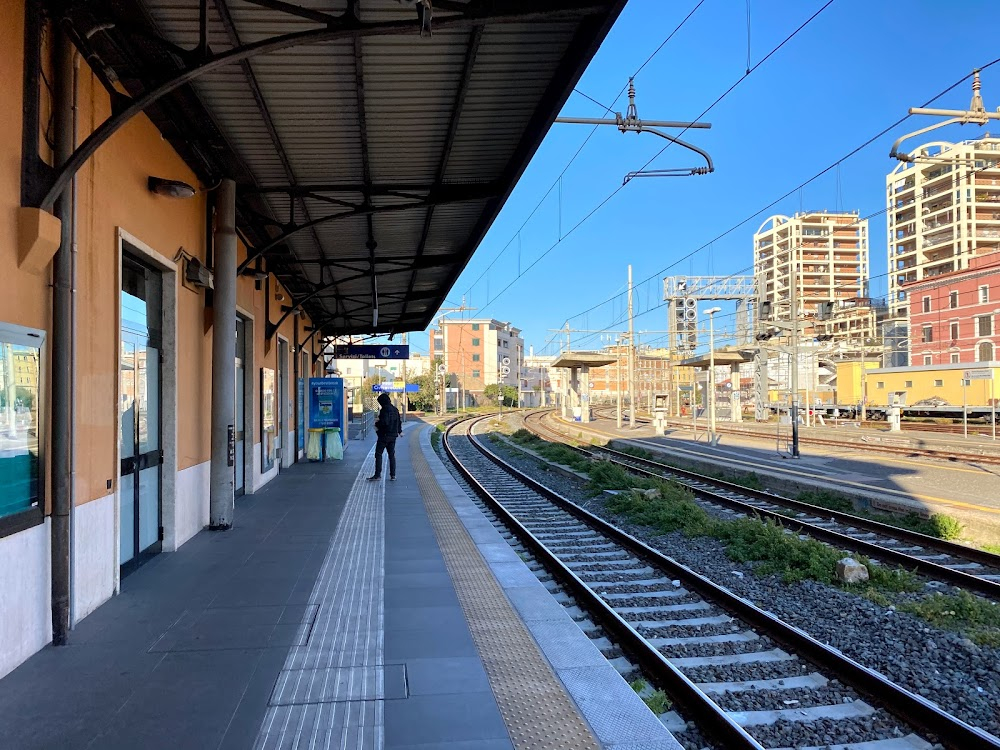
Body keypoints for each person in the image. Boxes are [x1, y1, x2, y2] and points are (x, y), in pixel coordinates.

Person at [368, 392, 403, 481]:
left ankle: (377, 474)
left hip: (384, 436)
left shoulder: (384, 410)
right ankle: (393, 475)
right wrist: (399, 431)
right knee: (391, 455)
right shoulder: (395, 409)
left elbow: (384, 422)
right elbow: (399, 422)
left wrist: (377, 424)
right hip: (393, 436)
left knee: (378, 454)